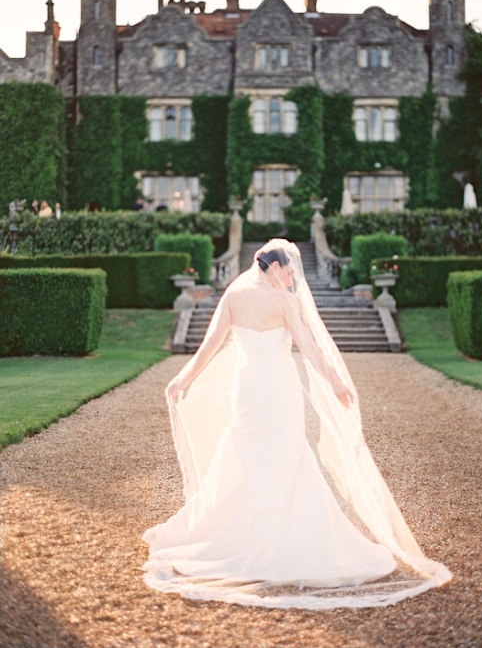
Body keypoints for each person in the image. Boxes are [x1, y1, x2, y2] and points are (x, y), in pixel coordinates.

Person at [142, 239, 452, 609]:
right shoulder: (284, 301)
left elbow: (209, 346)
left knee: (247, 454)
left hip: (249, 388)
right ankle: (281, 541)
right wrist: (335, 381)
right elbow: (308, 347)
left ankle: (243, 534)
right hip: (277, 388)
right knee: (286, 456)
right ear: (274, 267)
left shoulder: (234, 295)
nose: (292, 280)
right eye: (289, 272)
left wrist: (184, 379)